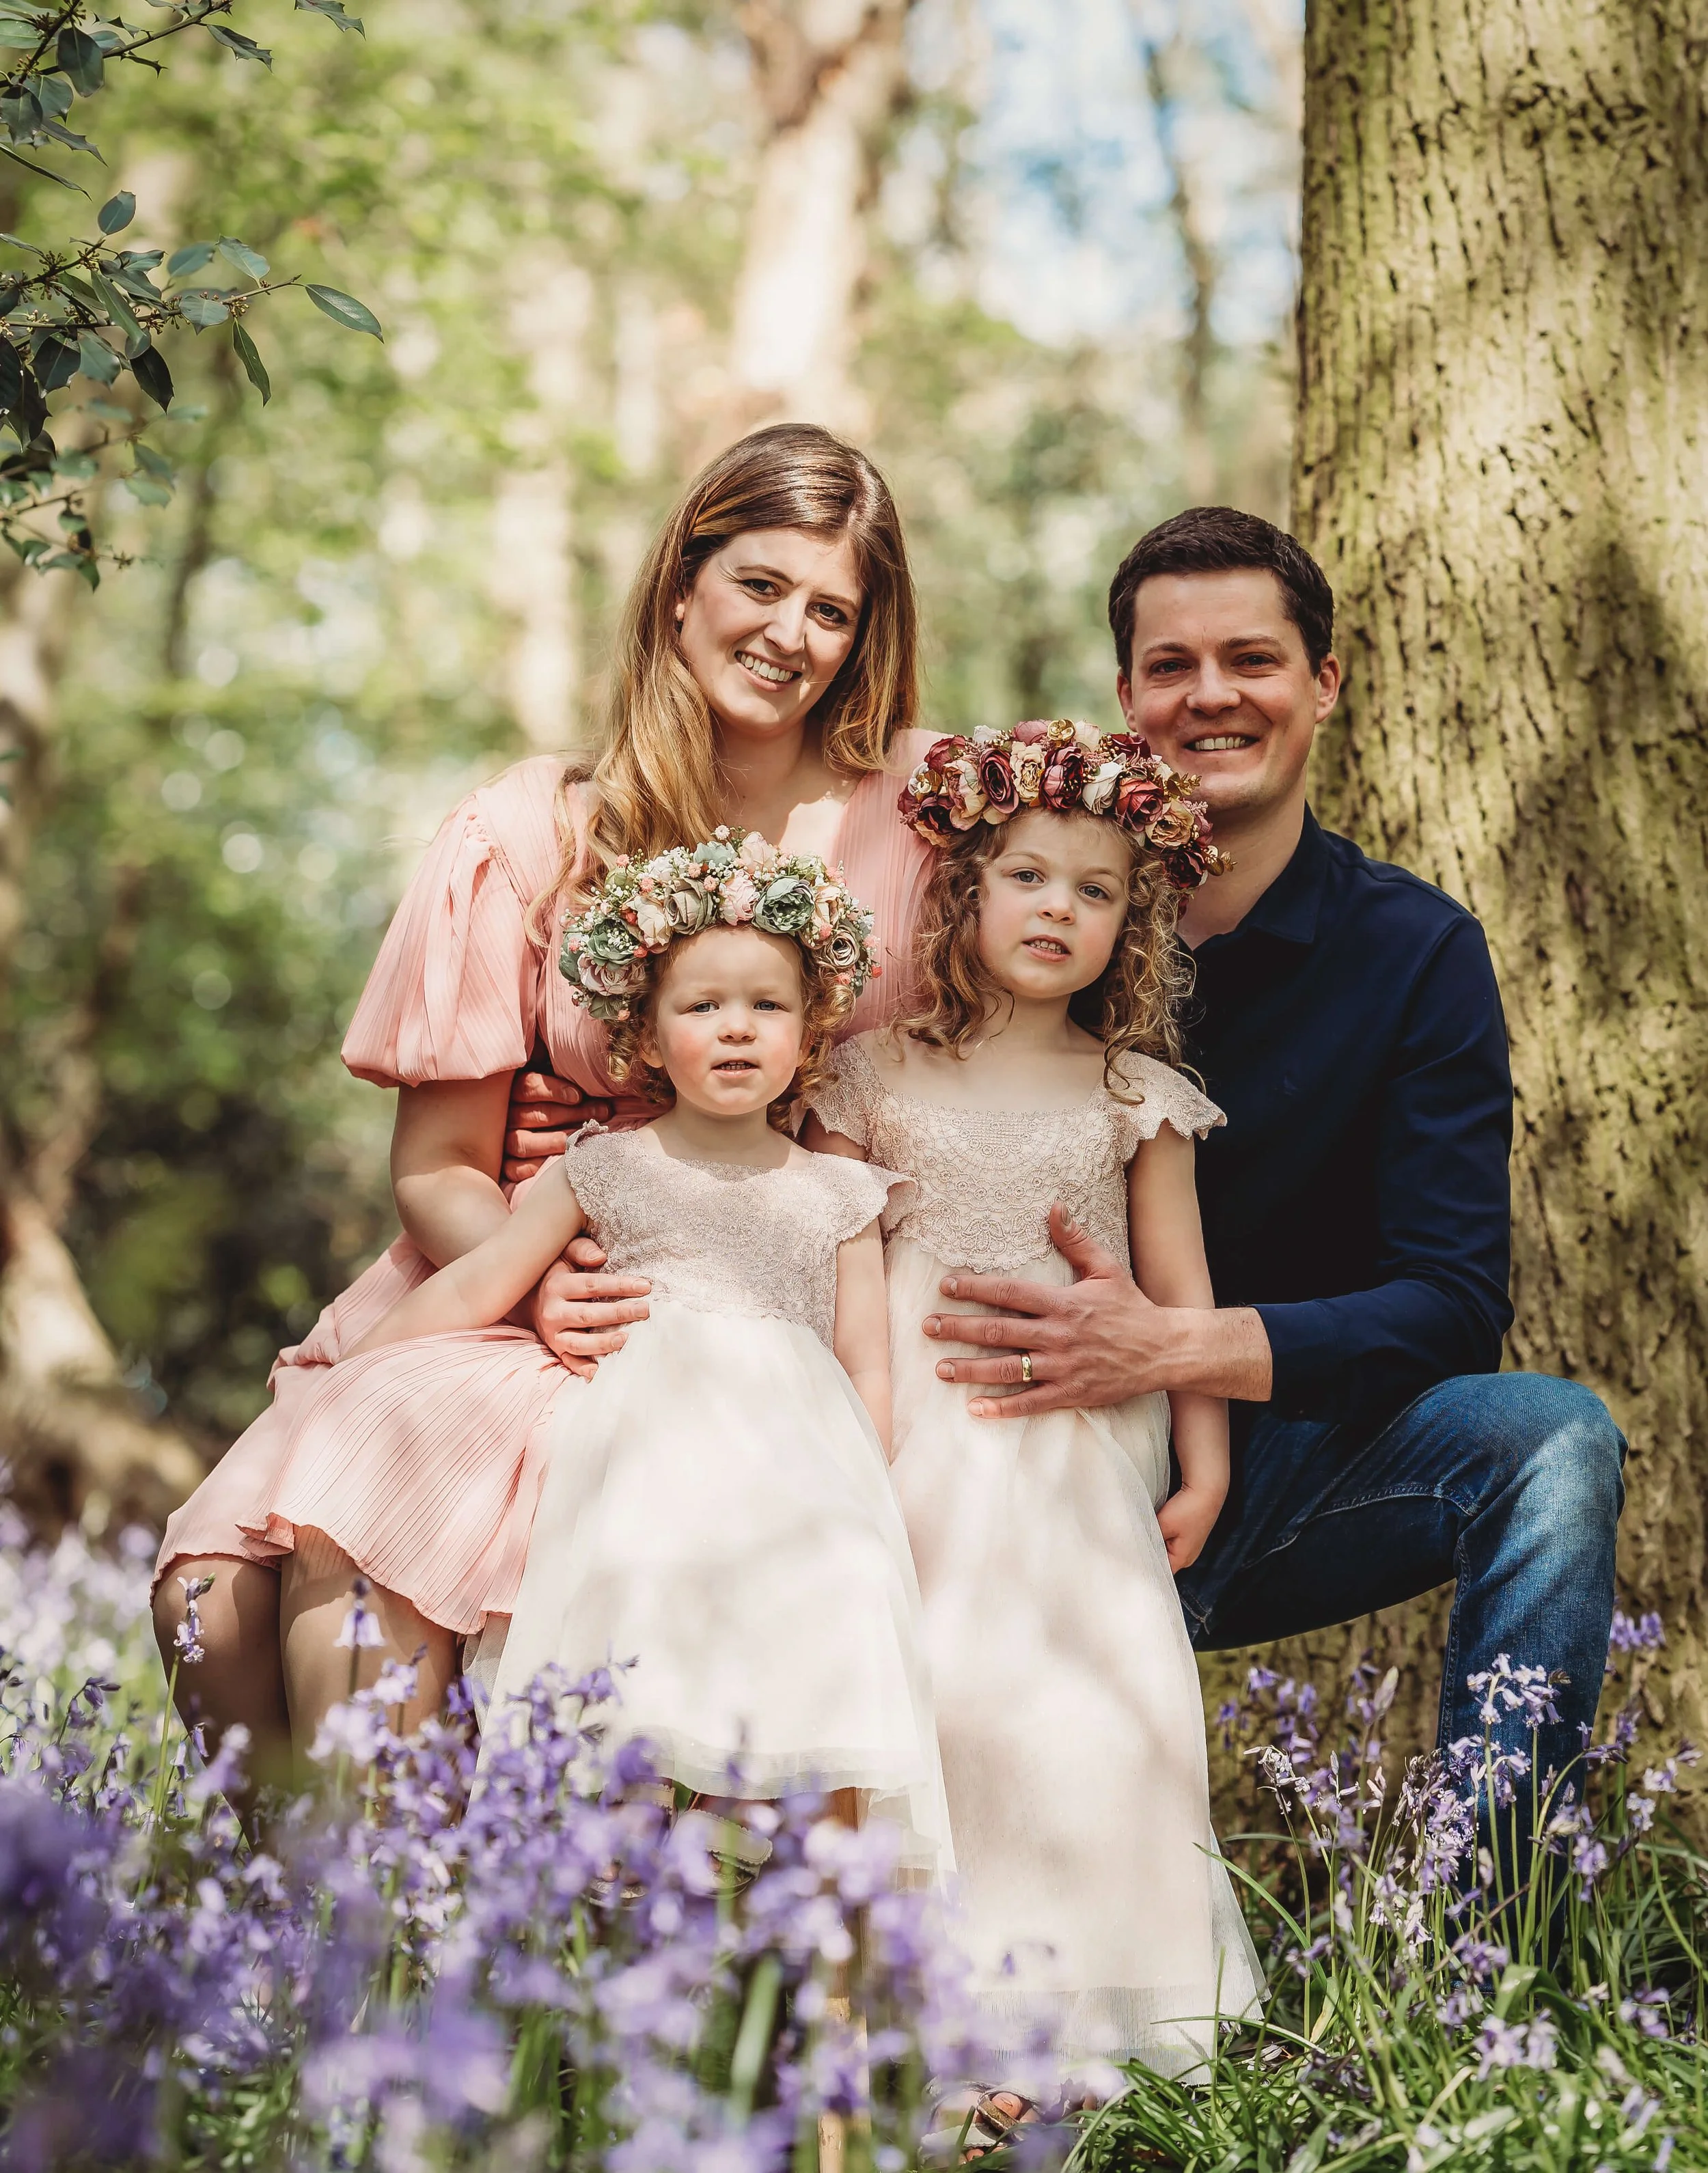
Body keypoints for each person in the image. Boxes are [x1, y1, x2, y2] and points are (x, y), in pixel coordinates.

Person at [150, 424, 937, 1799]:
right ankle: (303, 1947)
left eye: (831, 611)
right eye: (759, 586)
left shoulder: (914, 832)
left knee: (436, 1581)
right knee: (212, 1595)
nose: (788, 635)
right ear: (680, 584)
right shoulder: (535, 828)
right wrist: (539, 1275)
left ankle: (473, 1952)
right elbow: (442, 1165)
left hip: (752, 1301)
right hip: (512, 1270)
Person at [913, 508, 1624, 1801]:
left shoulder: (1417, 955)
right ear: (1126, 698)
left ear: (1323, 684)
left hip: (1276, 1476)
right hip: (984, 1451)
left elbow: (1453, 1304)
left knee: (1554, 1440)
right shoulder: (1009, 917)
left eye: (1252, 659)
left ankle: (1490, 1934)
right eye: (1171, 667)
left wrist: (1173, 1348)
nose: (1212, 697)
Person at [279, 835, 951, 1874]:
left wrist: (871, 1513)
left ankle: (816, 2008)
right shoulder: (607, 1169)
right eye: (701, 1007)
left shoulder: (837, 1193)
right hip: (637, 1496)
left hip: (798, 1503)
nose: (736, 1028)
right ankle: (604, 1979)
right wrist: (355, 1371)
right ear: (642, 1033)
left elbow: (867, 1365)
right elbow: (479, 1281)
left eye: (768, 1007)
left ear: (811, 1027)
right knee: (627, 1725)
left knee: (808, 1747)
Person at [803, 723, 1261, 2086]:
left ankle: (1095, 2037)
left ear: (1130, 927)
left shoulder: (1132, 1097)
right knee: (942, 1708)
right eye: (1025, 876)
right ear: (961, 892)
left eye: (1094, 890)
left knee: (1080, 1722)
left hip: (1070, 1470)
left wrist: (1204, 1462)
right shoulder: (872, 1074)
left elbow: (1182, 1296)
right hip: (909, 1442)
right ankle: (925, 2030)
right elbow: (826, 1261)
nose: (1056, 907)